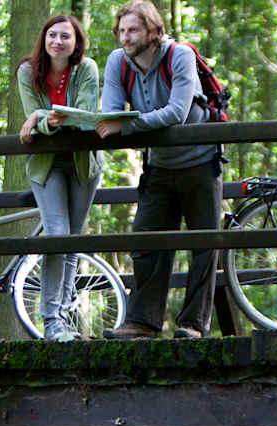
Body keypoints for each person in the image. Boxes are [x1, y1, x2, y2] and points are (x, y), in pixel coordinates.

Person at [95, 1, 222, 339]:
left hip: (200, 161)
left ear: (152, 30)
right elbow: (109, 114)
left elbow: (176, 113)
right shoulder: (117, 62)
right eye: (121, 30)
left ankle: (194, 324)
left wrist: (127, 126)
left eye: (133, 30)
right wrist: (121, 125)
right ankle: (143, 322)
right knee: (147, 241)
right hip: (159, 166)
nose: (125, 37)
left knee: (204, 245)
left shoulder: (179, 55)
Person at [16, 15, 104, 342]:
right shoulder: (28, 72)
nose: (57, 42)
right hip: (46, 165)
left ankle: (64, 316)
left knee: (73, 242)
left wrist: (40, 117)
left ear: (76, 42)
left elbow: (83, 118)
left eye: (65, 36)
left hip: (83, 164)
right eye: (52, 35)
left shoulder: (87, 70)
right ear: (44, 39)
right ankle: (51, 319)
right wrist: (42, 118)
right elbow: (33, 113)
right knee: (57, 235)